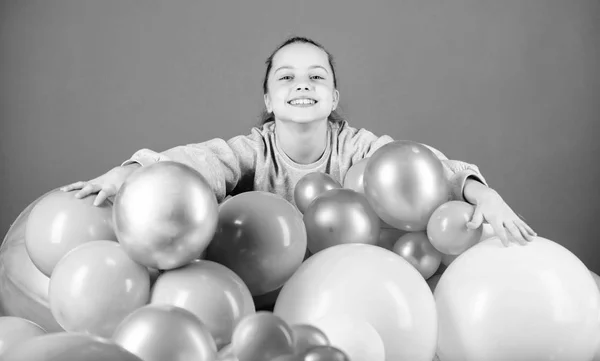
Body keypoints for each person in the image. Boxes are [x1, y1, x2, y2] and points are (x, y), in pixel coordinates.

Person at [61, 36, 536, 247]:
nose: (301, 85)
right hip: (271, 293)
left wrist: (482, 192)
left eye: (316, 77)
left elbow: (425, 167)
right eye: (286, 77)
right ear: (269, 99)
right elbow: (198, 161)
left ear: (333, 97)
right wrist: (133, 171)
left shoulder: (357, 147)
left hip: (353, 284)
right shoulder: (255, 150)